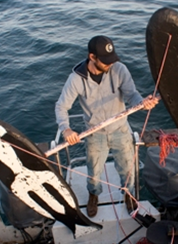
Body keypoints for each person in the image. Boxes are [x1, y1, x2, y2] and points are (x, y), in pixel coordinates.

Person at [55, 35, 159, 217]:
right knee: (93, 170)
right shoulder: (76, 79)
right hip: (95, 133)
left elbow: (132, 95)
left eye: (112, 59)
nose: (110, 64)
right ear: (92, 57)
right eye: (105, 61)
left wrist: (142, 103)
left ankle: (127, 194)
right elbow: (61, 106)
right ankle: (93, 195)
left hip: (120, 129)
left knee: (127, 168)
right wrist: (67, 129)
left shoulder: (119, 69)